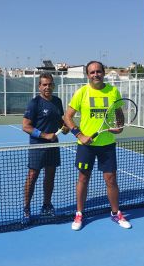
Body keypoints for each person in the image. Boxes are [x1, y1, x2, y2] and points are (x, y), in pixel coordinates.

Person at [63, 61, 131, 231]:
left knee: (111, 180)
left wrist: (119, 127)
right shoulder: (81, 93)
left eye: (98, 71)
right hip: (86, 145)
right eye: (92, 72)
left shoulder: (113, 91)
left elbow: (118, 113)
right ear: (88, 75)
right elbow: (67, 117)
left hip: (107, 144)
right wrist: (80, 135)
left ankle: (116, 213)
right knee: (83, 179)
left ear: (103, 73)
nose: (95, 75)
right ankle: (79, 213)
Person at [22, 73, 68, 223]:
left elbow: (60, 121)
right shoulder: (34, 103)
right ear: (39, 86)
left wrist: (64, 127)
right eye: (44, 84)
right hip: (38, 145)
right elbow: (26, 126)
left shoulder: (57, 101)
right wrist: (44, 135)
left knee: (50, 176)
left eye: (50, 84)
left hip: (53, 145)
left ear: (53, 85)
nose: (47, 87)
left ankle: (46, 205)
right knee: (32, 176)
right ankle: (26, 208)